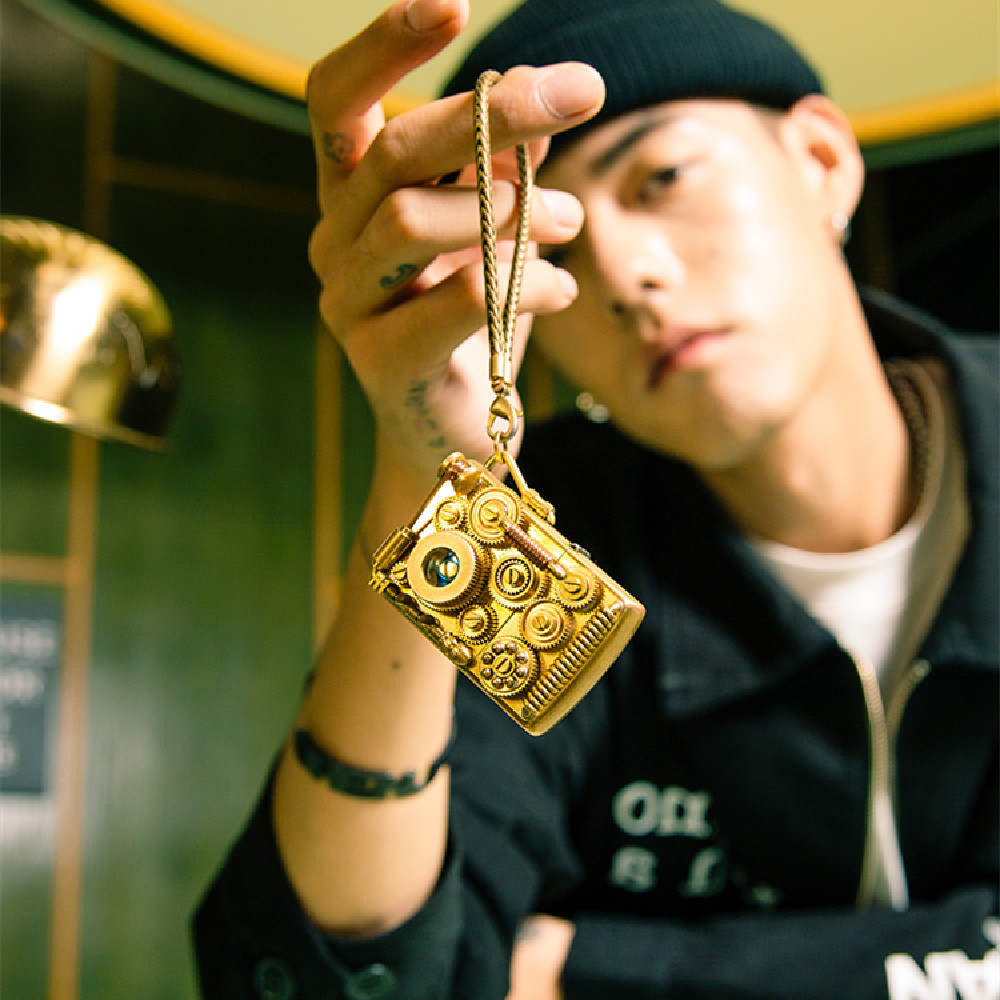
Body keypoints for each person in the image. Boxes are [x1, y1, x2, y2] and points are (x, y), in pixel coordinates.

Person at [192, 0, 999, 996]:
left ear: (821, 163)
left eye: (660, 179)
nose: (623, 276)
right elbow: (355, 978)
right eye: (554, 252)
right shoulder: (541, 535)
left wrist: (590, 970)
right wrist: (424, 471)